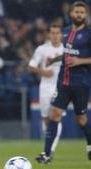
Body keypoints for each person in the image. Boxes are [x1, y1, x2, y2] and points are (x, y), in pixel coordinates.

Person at [36, 1, 91, 164]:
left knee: (80, 118)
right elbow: (67, 54)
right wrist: (55, 58)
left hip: (81, 83)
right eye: (76, 12)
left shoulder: (90, 34)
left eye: (82, 12)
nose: (79, 15)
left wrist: (80, 61)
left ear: (85, 15)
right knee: (55, 114)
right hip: (63, 83)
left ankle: (90, 142)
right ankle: (46, 154)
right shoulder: (65, 32)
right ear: (71, 14)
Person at [28, 24, 64, 159]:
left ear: (61, 35)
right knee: (46, 118)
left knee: (56, 116)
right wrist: (43, 72)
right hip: (45, 88)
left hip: (60, 88)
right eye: (52, 33)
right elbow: (31, 67)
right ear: (49, 34)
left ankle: (49, 151)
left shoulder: (66, 50)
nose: (55, 36)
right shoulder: (42, 49)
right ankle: (48, 149)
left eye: (57, 33)